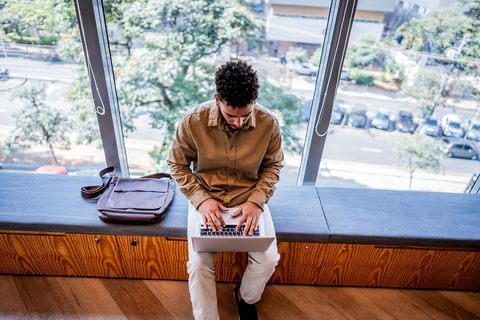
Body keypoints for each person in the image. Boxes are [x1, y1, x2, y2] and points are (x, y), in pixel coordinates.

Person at [167, 60, 283, 320]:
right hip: (207, 196)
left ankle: (245, 298)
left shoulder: (269, 124)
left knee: (267, 260)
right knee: (198, 264)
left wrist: (256, 202)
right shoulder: (192, 121)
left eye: (246, 114)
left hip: (249, 198)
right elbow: (177, 164)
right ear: (217, 99)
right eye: (232, 115)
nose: (239, 122)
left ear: (255, 100)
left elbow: (274, 166)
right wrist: (201, 200)